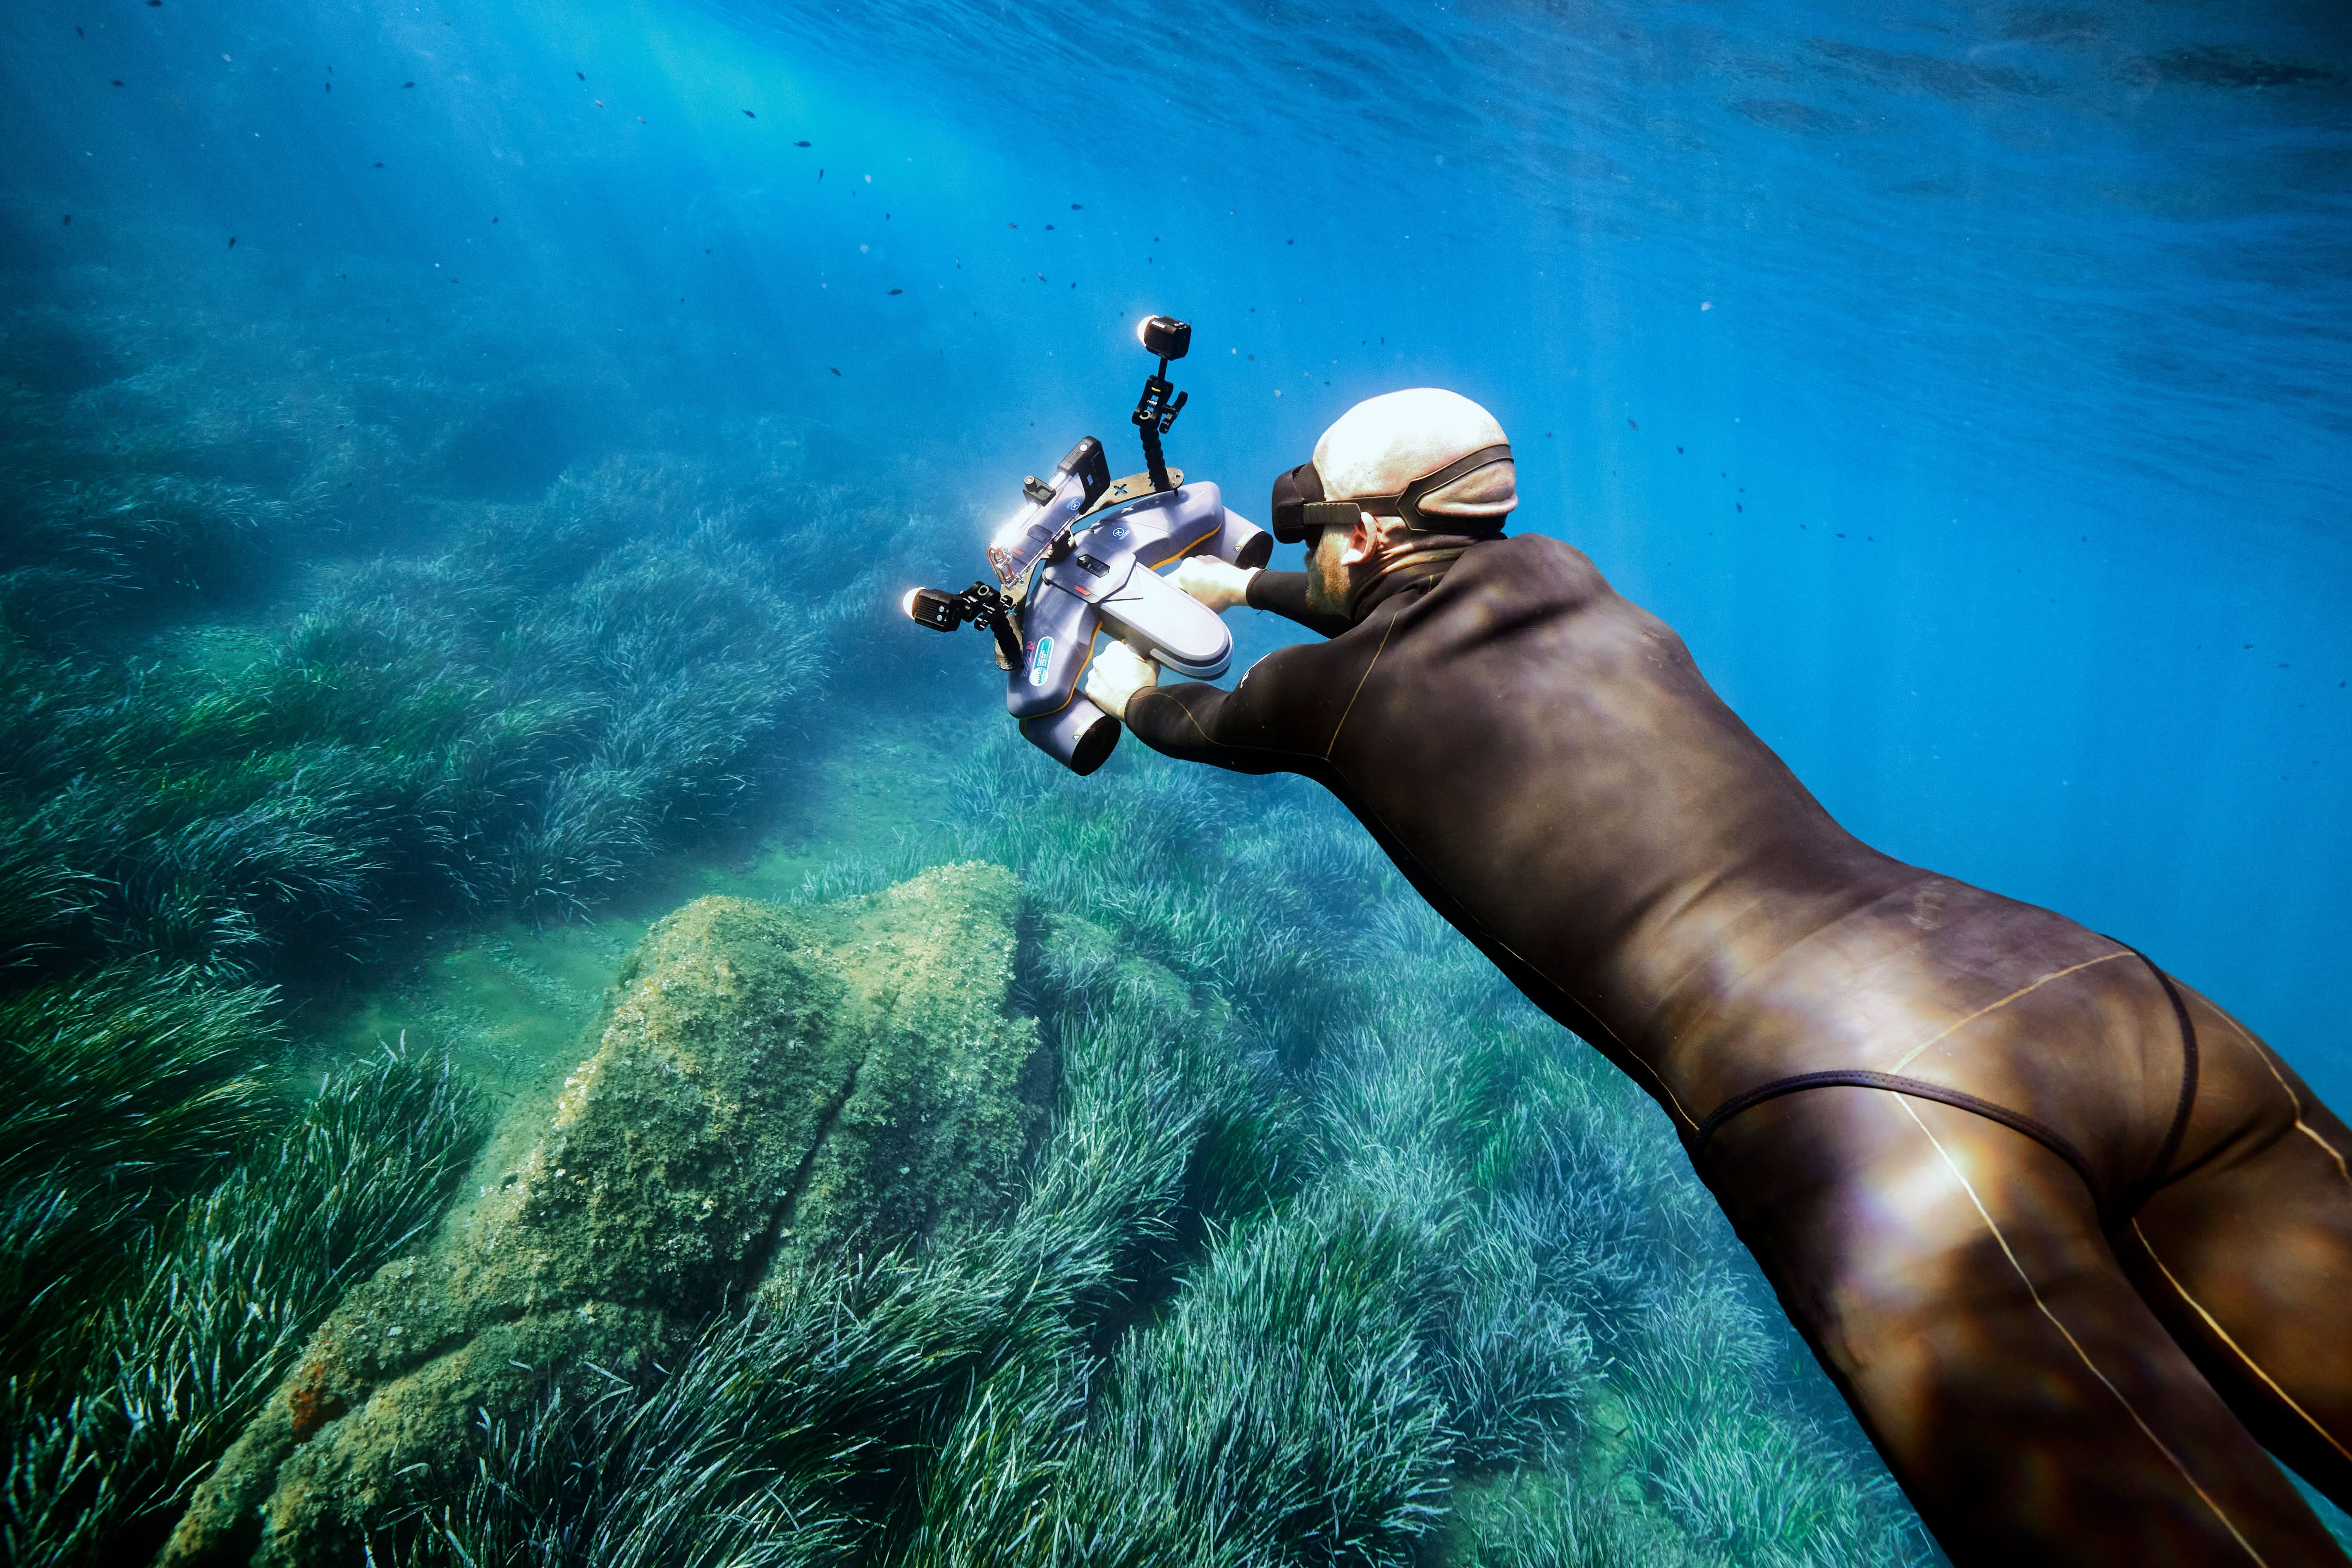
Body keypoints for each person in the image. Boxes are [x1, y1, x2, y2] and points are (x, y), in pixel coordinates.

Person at [1079, 386, 2352, 1567]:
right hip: (2096, 992)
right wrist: (1241, 572)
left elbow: (1190, 714)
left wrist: (1126, 675)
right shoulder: (1572, 579)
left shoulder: (1324, 701)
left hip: (1874, 1110)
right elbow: (1393, 597)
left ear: (1352, 543)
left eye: (1321, 545)